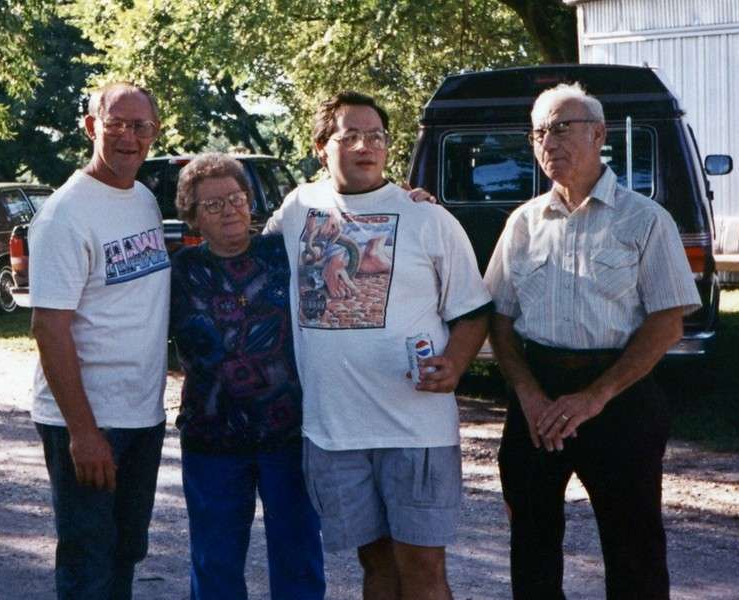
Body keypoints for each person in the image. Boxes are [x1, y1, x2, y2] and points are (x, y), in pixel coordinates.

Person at [264, 91, 493, 600]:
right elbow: (252, 255)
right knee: (376, 565)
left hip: (416, 428)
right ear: (321, 147)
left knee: (423, 569)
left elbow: (473, 310)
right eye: (350, 136)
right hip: (333, 430)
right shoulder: (298, 208)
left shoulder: (428, 218)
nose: (365, 146)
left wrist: (455, 364)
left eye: (376, 136)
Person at [484, 82, 702, 599]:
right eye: (539, 132)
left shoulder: (645, 219)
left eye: (562, 128)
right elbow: (499, 320)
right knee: (531, 545)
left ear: (599, 135)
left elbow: (667, 322)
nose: (549, 142)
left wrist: (594, 397)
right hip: (536, 401)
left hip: (620, 398)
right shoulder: (523, 224)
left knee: (634, 550)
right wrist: (529, 395)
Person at [28, 82, 169, 599]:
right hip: (89, 420)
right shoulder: (65, 213)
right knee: (88, 562)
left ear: (154, 132)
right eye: (116, 124)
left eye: (140, 126)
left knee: (124, 553)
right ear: (91, 127)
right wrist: (84, 433)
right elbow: (49, 328)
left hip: (142, 415)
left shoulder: (144, 199)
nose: (129, 136)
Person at [169, 153, 325, 599]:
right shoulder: (181, 271)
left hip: (287, 435)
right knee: (215, 562)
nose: (229, 210)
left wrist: (411, 201)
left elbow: (349, 223)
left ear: (250, 200)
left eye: (236, 198)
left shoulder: (285, 252)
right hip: (211, 439)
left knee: (298, 558)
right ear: (193, 216)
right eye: (213, 205)